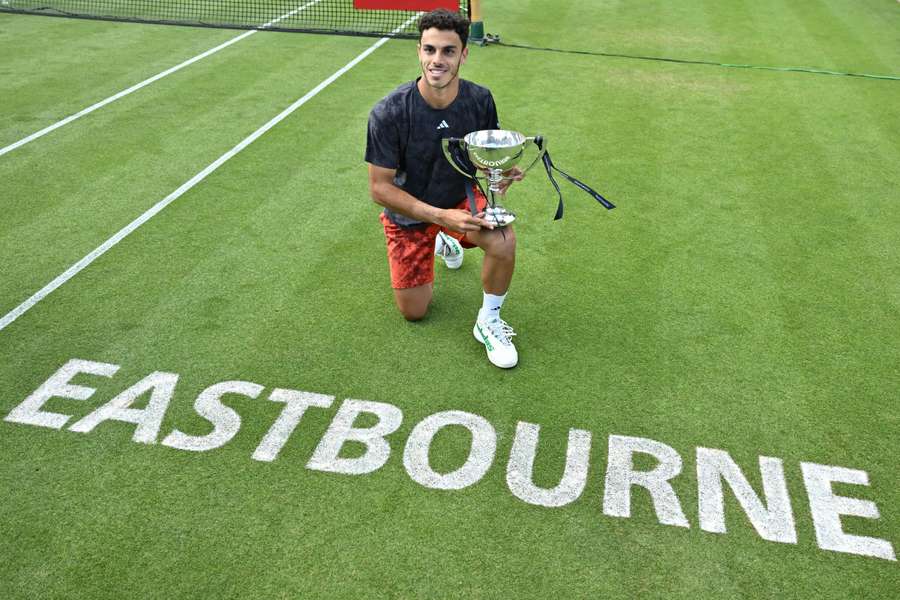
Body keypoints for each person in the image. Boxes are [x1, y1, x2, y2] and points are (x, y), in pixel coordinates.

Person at [365, 8, 523, 369]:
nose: (437, 60)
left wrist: (496, 168)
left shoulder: (480, 99)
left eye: (448, 51)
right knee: (414, 313)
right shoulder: (389, 112)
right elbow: (380, 188)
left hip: (460, 199)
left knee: (504, 240)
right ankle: (441, 236)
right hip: (410, 215)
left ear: (464, 54)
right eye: (430, 49)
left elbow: (476, 153)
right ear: (419, 51)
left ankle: (489, 321)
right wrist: (440, 217)